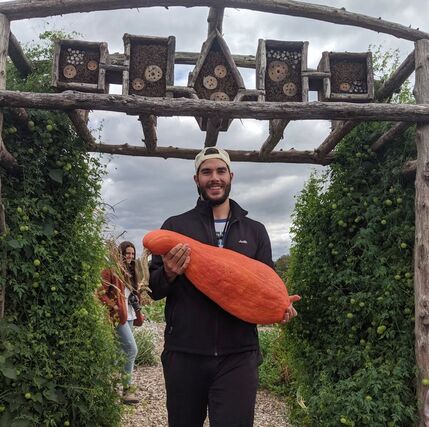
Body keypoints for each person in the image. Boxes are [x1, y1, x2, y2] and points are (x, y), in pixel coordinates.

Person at [149, 147, 300, 427]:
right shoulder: (175, 227)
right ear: (197, 179)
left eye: (220, 171)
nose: (214, 178)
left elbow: (266, 283)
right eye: (206, 172)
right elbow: (154, 289)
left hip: (238, 357)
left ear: (231, 176)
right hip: (184, 354)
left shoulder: (254, 230)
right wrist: (169, 273)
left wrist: (281, 305)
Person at [98, 241, 144, 405]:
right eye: (127, 253)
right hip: (119, 316)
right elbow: (100, 293)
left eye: (132, 253)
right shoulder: (111, 270)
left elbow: (132, 295)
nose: (130, 256)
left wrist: (139, 299)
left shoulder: (131, 272)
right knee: (132, 348)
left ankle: (101, 383)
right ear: (120, 253)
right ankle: (127, 390)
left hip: (130, 315)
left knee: (120, 353)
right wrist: (114, 306)